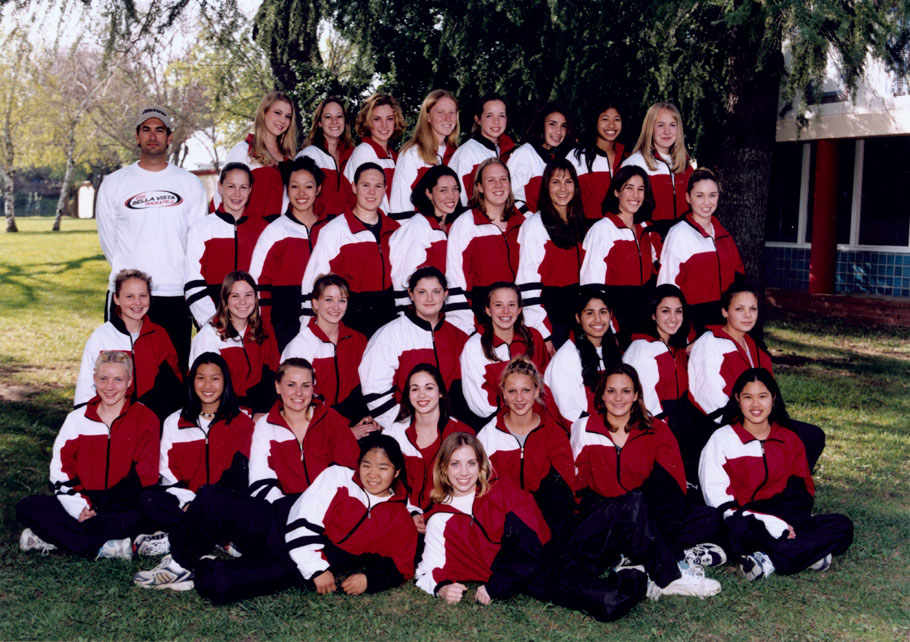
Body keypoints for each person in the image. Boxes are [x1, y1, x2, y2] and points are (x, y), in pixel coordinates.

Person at [133, 412, 395, 604]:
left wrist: (369, 579)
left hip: (291, 562)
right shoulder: (339, 477)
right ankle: (179, 561)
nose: (373, 474)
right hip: (279, 524)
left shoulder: (395, 515)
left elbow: (401, 562)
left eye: (383, 468)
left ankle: (200, 563)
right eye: (367, 465)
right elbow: (304, 515)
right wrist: (315, 566)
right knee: (211, 497)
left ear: (396, 473)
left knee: (219, 585)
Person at [415, 432, 649, 622]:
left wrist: (496, 587)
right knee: (609, 602)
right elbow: (425, 570)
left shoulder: (500, 489)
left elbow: (532, 541)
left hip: (554, 548)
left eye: (470, 463)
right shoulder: (440, 519)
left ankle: (635, 558)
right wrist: (441, 588)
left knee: (630, 504)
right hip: (535, 575)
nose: (464, 472)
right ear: (444, 469)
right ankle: (636, 572)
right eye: (455, 464)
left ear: (481, 466)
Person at [700, 369, 853, 580]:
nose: (756, 405)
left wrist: (786, 522)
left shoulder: (788, 439)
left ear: (773, 398)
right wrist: (769, 523)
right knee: (736, 530)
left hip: (784, 516)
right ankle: (804, 552)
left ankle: (769, 560)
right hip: (743, 519)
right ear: (737, 399)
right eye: (748, 397)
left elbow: (801, 492)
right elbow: (718, 501)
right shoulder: (722, 439)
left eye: (762, 396)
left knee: (842, 526)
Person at [570, 365, 726, 573]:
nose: (618, 398)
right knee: (629, 506)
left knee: (710, 518)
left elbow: (673, 485)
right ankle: (662, 555)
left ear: (636, 395)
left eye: (626, 391)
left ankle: (633, 553)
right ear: (602, 396)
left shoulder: (656, 429)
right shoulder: (584, 428)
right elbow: (574, 482)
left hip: (648, 513)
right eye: (611, 391)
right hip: (607, 514)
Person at [18, 351, 159, 560]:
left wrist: (99, 507)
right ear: (94, 379)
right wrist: (79, 507)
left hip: (122, 502)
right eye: (103, 379)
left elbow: (146, 474)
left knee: (148, 510)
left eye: (118, 379)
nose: (110, 386)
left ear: (129, 381)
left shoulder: (145, 418)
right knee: (28, 506)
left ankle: (54, 537)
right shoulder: (77, 419)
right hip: (83, 498)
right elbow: (60, 470)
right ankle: (105, 547)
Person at [95, 105, 207, 369]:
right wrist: (129, 282)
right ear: (137, 136)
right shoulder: (114, 183)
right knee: (121, 374)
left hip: (175, 295)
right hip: (126, 297)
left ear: (169, 138)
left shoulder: (189, 184)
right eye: (146, 129)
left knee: (172, 377)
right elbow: (108, 240)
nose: (153, 136)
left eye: (160, 130)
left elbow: (196, 245)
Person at [688, 284, 826, 470]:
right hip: (724, 424)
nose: (748, 315)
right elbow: (708, 400)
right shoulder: (710, 343)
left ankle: (784, 486)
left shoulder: (752, 345)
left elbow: (769, 391)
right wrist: (752, 426)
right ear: (724, 311)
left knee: (811, 436)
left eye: (753, 308)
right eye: (739, 309)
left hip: (758, 418)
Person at [135, 352, 254, 554]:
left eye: (215, 378)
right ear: (192, 381)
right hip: (185, 502)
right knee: (149, 499)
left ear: (225, 382)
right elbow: (166, 471)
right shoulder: (175, 421)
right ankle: (215, 537)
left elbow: (241, 475)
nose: (207, 385)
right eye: (201, 378)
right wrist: (189, 502)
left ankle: (176, 537)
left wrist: (207, 504)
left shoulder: (242, 422)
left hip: (222, 503)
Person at [476, 358, 576, 537]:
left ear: (537, 391)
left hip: (548, 521)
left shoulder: (553, 432)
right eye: (512, 391)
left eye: (526, 390)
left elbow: (565, 492)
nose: (519, 398)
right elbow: (482, 490)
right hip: (507, 524)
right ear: (504, 394)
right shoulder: (488, 434)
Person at [359, 267, 468, 429]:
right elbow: (374, 388)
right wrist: (404, 425)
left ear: (445, 294)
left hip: (450, 428)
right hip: (407, 428)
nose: (430, 298)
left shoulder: (459, 337)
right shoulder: (390, 334)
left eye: (436, 291)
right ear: (411, 294)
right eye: (422, 292)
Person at [301, 162, 401, 337]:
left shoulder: (395, 230)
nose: (372, 192)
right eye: (365, 185)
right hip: (352, 318)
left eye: (378, 186)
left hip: (389, 316)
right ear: (354, 187)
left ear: (385, 189)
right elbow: (314, 280)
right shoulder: (336, 230)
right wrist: (309, 328)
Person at [74, 269, 182, 421]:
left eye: (143, 296)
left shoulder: (159, 335)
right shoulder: (102, 337)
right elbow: (86, 388)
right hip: (110, 421)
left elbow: (173, 385)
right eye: (129, 296)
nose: (137, 303)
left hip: (151, 421)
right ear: (116, 298)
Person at [248, 358, 360, 504]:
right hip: (284, 508)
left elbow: (350, 470)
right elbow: (260, 479)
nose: (299, 393)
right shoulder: (265, 426)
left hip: (331, 507)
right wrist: (291, 510)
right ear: (277, 386)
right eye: (291, 385)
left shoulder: (330, 418)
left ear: (313, 388)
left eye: (305, 386)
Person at [281, 274, 375, 436]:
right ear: (315, 303)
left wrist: (372, 416)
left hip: (354, 417)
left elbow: (368, 384)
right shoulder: (300, 346)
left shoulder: (358, 339)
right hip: (316, 426)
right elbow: (298, 400)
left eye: (342, 300)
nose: (336, 307)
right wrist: (344, 433)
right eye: (329, 299)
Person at [622, 284, 699, 480]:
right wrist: (664, 431)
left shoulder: (675, 347)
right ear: (653, 314)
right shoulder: (642, 348)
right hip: (657, 424)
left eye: (678, 311)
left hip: (681, 419)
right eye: (665, 311)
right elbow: (645, 401)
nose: (673, 318)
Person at [249, 156, 325, 351]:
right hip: (283, 327)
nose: (301, 193)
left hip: (324, 323)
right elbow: (257, 283)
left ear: (318, 189)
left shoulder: (329, 230)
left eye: (308, 186)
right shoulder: (275, 232)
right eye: (294, 186)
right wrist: (265, 330)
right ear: (286, 190)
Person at [657, 168, 745, 332]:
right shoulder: (678, 234)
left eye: (712, 195)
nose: (707, 202)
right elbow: (666, 287)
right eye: (699, 195)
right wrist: (682, 332)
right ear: (688, 198)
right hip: (693, 324)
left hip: (725, 324)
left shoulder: (723, 235)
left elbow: (739, 279)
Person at [384, 363, 473, 524]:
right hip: (402, 518)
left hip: (448, 519)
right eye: (415, 389)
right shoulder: (393, 434)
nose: (422, 395)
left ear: (440, 393)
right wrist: (409, 514)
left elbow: (472, 484)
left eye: (429, 388)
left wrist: (435, 516)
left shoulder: (462, 434)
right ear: (408, 394)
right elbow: (387, 484)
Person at [580, 165, 658, 347]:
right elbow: (592, 286)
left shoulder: (645, 232)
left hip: (644, 325)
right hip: (616, 326)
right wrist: (610, 329)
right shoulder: (603, 230)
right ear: (616, 192)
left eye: (641, 189)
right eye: (629, 188)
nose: (635, 195)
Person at [445, 158, 525, 334]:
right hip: (481, 323)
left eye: (503, 179)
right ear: (479, 187)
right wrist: (468, 329)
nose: (498, 185)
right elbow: (455, 278)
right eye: (491, 180)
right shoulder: (466, 225)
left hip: (520, 320)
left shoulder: (524, 223)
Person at [515, 159, 587, 349]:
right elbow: (527, 285)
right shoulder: (534, 226)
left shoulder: (580, 223)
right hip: (551, 321)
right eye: (555, 182)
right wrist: (544, 334)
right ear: (546, 186)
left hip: (580, 320)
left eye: (568, 181)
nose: (562, 188)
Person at [185, 163, 267, 328]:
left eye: (243, 187)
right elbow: (192, 280)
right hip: (214, 324)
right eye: (231, 186)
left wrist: (256, 321)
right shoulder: (202, 227)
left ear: (250, 189)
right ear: (220, 187)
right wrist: (214, 322)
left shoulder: (264, 230)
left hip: (253, 325)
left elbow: (265, 282)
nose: (237, 193)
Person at [189, 271, 279, 417]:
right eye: (235, 296)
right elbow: (206, 386)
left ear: (256, 298)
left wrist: (261, 412)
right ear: (225, 299)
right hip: (224, 412)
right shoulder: (210, 334)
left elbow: (273, 375)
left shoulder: (264, 330)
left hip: (259, 411)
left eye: (248, 295)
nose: (243, 302)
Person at [459, 283, 549, 425]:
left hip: (536, 418)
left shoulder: (533, 337)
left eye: (511, 305)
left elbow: (546, 383)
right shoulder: (474, 346)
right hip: (497, 422)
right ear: (487, 310)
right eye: (498, 305)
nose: (505, 311)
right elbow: (478, 400)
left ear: (519, 309)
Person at [544, 287, 622, 426]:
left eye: (603, 312)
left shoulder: (613, 350)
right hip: (584, 434)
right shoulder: (567, 357)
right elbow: (570, 413)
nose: (598, 319)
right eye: (589, 313)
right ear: (578, 318)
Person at [217, 91, 298, 222]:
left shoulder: (289, 159)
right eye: (277, 113)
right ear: (264, 113)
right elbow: (220, 197)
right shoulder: (243, 152)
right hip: (249, 234)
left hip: (281, 236)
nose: (283, 120)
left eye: (288, 116)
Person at [389, 164, 460, 312]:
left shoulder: (456, 225)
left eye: (455, 189)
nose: (451, 196)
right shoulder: (417, 228)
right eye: (443, 190)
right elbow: (404, 281)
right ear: (428, 193)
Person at [389, 89, 459, 218]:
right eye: (440, 112)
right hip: (421, 233)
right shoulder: (411, 154)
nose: (447, 118)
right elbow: (400, 207)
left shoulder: (458, 153)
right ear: (427, 117)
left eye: (452, 112)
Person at [622, 102, 694, 223]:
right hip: (650, 237)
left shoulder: (684, 164)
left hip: (681, 236)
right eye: (660, 125)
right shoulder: (636, 163)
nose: (667, 131)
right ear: (650, 128)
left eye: (672, 125)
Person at [343, 93, 406, 214]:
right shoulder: (364, 152)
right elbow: (372, 201)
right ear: (367, 122)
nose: (384, 125)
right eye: (377, 119)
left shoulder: (394, 156)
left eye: (389, 119)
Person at [449, 94, 516, 206]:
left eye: (501, 116)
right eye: (489, 116)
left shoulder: (505, 152)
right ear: (478, 119)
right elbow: (463, 202)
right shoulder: (468, 153)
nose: (496, 121)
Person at [507, 102, 571, 214]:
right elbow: (509, 198)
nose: (558, 131)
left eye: (563, 126)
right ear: (541, 125)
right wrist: (534, 223)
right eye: (552, 124)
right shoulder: (524, 154)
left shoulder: (557, 157)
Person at [296, 96, 355, 218]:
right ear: (319, 123)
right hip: (319, 230)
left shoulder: (353, 156)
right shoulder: (309, 155)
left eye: (339, 116)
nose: (334, 121)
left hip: (349, 231)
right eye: (328, 117)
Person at [568, 100, 627, 218]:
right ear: (595, 121)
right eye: (605, 119)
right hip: (587, 230)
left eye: (617, 119)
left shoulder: (628, 157)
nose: (611, 125)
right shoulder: (577, 157)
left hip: (622, 231)